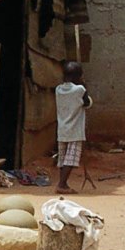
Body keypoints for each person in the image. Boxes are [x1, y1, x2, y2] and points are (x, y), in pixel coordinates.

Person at [55, 61, 92, 194]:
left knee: (63, 159)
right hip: (75, 131)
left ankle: (62, 183)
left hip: (62, 129)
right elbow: (87, 103)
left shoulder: (58, 89)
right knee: (70, 159)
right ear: (78, 76)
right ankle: (62, 184)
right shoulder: (79, 90)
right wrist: (84, 85)